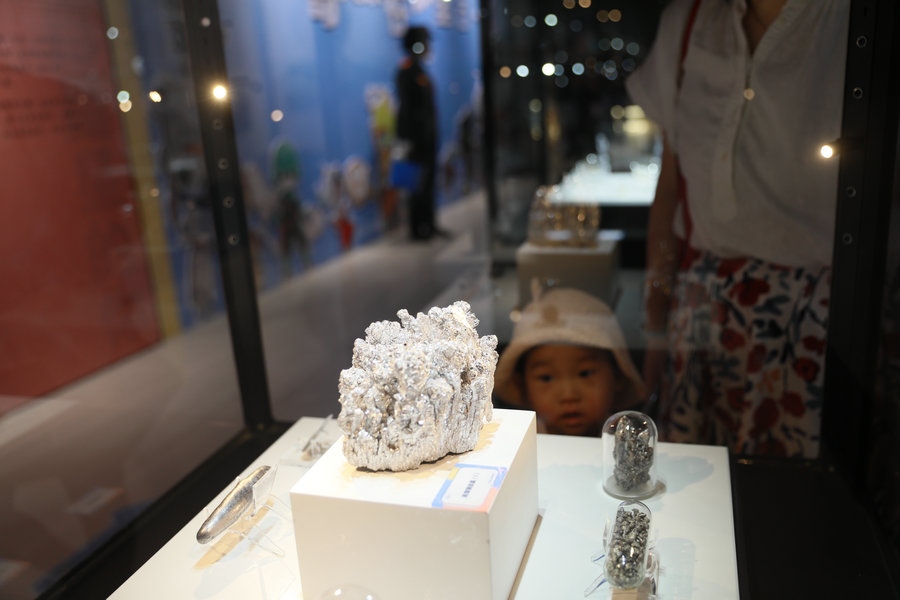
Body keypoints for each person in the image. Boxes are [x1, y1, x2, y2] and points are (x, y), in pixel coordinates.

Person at [625, 0, 850, 457]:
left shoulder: (853, 21)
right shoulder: (691, 20)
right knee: (702, 482)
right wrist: (656, 326)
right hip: (706, 306)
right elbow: (672, 186)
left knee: (808, 487)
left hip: (829, 316)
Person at [494, 287, 646, 436]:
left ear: (617, 377)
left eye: (585, 373)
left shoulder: (626, 438)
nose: (569, 395)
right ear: (522, 385)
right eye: (546, 378)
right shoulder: (521, 440)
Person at [395, 25, 447, 241]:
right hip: (416, 140)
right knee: (417, 184)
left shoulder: (420, 70)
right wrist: (409, 139)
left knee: (429, 182)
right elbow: (408, 108)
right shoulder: (407, 71)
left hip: (427, 138)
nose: (427, 47)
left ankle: (429, 223)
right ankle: (418, 228)